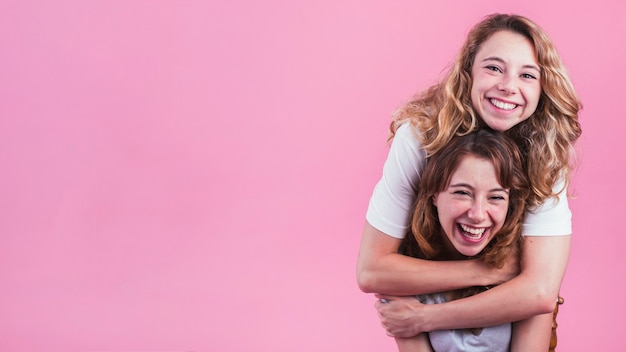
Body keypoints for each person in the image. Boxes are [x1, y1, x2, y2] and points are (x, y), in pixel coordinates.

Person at [356, 13, 582, 351]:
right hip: (436, 283)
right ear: (468, 74)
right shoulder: (420, 138)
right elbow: (374, 271)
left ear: (542, 87)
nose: (508, 85)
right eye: (493, 68)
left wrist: (425, 318)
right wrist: (490, 271)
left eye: (527, 75)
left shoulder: (544, 153)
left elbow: (538, 293)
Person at [394, 129, 529, 351]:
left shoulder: (525, 269)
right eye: (463, 193)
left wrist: (423, 317)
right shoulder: (404, 271)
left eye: (495, 197)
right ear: (434, 193)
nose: (477, 214)